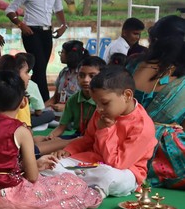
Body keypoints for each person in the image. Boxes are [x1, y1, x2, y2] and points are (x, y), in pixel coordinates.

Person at [0, 70, 102, 209]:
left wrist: (32, 165)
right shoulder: (21, 131)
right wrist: (34, 167)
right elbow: (32, 177)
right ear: (24, 102)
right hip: (6, 196)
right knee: (72, 183)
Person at [42, 66, 157, 198]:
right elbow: (88, 139)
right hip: (93, 164)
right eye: (96, 103)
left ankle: (74, 186)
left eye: (105, 103)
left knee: (107, 176)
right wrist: (69, 151)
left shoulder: (143, 126)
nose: (99, 109)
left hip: (125, 172)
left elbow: (118, 164)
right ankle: (78, 186)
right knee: (52, 165)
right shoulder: (101, 113)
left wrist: (105, 130)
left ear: (127, 95)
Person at [127, 15, 185, 188]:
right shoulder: (182, 79)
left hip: (122, 139)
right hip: (158, 149)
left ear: (154, 40)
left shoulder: (133, 64)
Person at [5, 0, 68, 101]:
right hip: (31, 32)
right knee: (39, 68)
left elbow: (58, 9)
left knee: (41, 69)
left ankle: (30, 98)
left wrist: (64, 25)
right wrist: (21, 25)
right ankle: (44, 101)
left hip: (47, 33)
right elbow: (10, 9)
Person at [35, 55, 106, 155]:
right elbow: (61, 127)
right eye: (81, 75)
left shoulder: (104, 101)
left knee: (54, 146)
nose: (85, 80)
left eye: (92, 76)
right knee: (38, 140)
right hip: (78, 136)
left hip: (97, 139)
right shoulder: (73, 100)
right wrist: (51, 136)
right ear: (77, 77)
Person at [45, 40, 87, 114]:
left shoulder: (83, 75)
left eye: (62, 52)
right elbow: (55, 98)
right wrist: (41, 108)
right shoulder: (64, 72)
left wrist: (66, 107)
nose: (60, 55)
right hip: (58, 113)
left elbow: (85, 103)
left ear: (70, 55)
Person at [0, 54, 33, 128]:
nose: (29, 77)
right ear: (15, 75)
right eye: (26, 72)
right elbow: (26, 130)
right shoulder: (20, 99)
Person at [18, 52, 54, 129]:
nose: (29, 77)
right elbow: (39, 111)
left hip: (7, 123)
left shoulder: (2, 84)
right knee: (50, 114)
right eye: (26, 72)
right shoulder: (30, 86)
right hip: (22, 124)